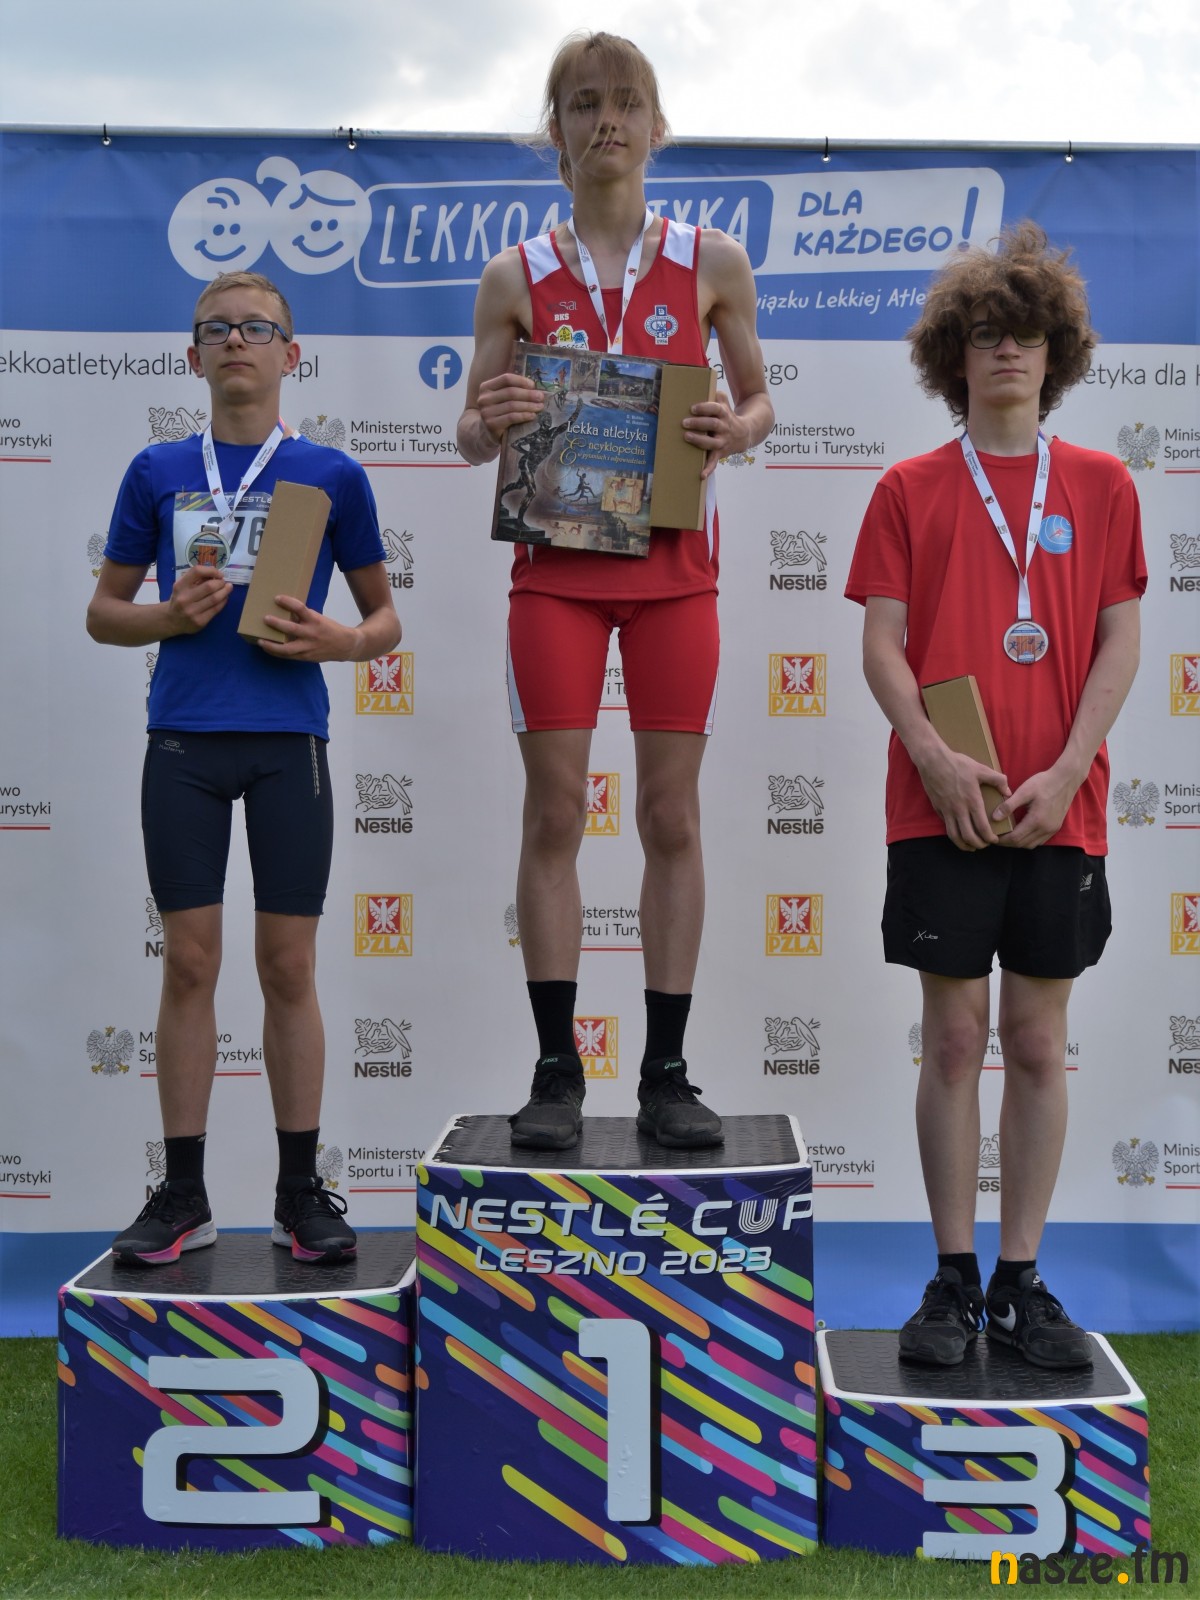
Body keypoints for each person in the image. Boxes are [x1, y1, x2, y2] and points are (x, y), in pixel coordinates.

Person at [457, 31, 773, 1150]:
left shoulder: (712, 260)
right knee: (556, 812)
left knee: (669, 815)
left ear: (656, 125)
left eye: (627, 102)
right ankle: (556, 1070)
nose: (608, 122)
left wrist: (735, 428)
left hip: (674, 574)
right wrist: (489, 418)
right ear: (556, 129)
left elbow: (759, 402)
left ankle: (667, 1071)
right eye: (585, 103)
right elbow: (466, 432)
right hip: (556, 577)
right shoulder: (514, 275)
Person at [845, 222, 1146, 1367]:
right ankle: (951, 1278)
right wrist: (929, 751)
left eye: (1024, 333)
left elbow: (1121, 640)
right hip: (943, 805)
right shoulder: (907, 488)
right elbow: (882, 643)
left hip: (1060, 806)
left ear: (1055, 352)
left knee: (1034, 1040)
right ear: (953, 356)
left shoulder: (1103, 485)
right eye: (984, 333)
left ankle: (1021, 1281)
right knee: (953, 1038)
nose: (1006, 349)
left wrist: (1068, 768)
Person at [87, 270, 401, 1265]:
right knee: (188, 963)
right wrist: (166, 616)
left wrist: (341, 643)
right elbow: (103, 613)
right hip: (183, 742)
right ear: (193, 355)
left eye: (256, 328)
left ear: (289, 354)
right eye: (216, 328)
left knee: (288, 966)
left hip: (287, 742)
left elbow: (384, 620)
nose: (236, 341)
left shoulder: (331, 474)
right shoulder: (156, 469)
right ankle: (183, 1194)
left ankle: (299, 1191)